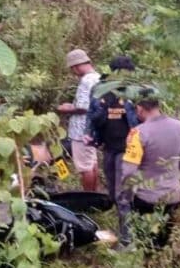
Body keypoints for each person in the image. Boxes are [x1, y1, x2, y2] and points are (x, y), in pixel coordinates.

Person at [116, 89, 180, 249]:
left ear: (140, 108)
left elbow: (129, 172)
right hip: (173, 197)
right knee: (167, 242)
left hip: (146, 199)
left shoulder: (138, 133)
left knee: (148, 244)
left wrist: (128, 195)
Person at [83, 56, 140, 204]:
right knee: (113, 190)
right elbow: (91, 113)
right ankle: (122, 217)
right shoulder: (100, 89)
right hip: (108, 145)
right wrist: (88, 133)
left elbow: (142, 117)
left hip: (127, 147)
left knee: (123, 192)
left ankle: (126, 224)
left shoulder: (134, 90)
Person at [57, 49, 101, 191]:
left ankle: (88, 198)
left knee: (85, 167)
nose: (73, 72)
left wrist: (66, 109)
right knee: (91, 163)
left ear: (76, 66)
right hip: (93, 128)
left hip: (81, 130)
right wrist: (73, 106)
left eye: (72, 69)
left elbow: (83, 108)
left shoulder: (86, 80)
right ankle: (94, 196)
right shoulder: (98, 77)